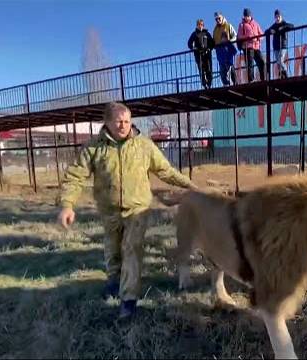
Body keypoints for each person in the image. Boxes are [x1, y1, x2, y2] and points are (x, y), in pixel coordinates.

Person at [57, 102, 197, 319]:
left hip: (137, 209)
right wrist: (67, 205)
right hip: (109, 210)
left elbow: (165, 171)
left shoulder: (144, 146)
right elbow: (75, 177)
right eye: (118, 122)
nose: (123, 126)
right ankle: (113, 282)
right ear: (107, 123)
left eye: (127, 121)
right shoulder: (94, 148)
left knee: (132, 250)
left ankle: (128, 301)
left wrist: (190, 186)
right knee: (112, 249)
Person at [237, 8, 265, 82]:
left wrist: (257, 38)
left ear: (250, 15)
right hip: (247, 47)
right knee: (250, 64)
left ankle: (263, 78)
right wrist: (248, 37)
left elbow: (261, 35)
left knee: (261, 62)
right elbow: (239, 36)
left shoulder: (255, 23)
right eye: (245, 16)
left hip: (256, 47)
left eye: (248, 16)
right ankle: (251, 80)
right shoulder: (242, 25)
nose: (247, 17)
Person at [266, 9, 294, 79]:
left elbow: (292, 26)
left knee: (280, 60)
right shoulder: (274, 25)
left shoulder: (284, 23)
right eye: (276, 17)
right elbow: (266, 32)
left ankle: (285, 71)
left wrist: (283, 27)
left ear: (281, 17)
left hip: (283, 45)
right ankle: (282, 75)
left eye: (279, 17)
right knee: (278, 62)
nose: (277, 18)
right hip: (275, 46)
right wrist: (270, 31)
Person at [188, 19, 215, 89]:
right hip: (198, 55)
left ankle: (209, 83)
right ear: (197, 25)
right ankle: (204, 84)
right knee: (201, 70)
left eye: (201, 25)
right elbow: (189, 43)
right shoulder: (194, 34)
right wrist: (194, 48)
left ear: (203, 25)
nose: (200, 26)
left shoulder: (207, 33)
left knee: (209, 69)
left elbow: (212, 43)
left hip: (207, 54)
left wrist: (209, 49)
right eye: (199, 25)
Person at [213, 12, 238, 86]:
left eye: (219, 18)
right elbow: (214, 41)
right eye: (216, 19)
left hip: (228, 50)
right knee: (222, 70)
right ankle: (225, 84)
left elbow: (235, 36)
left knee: (230, 67)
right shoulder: (215, 30)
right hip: (220, 52)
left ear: (222, 17)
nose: (218, 20)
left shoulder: (228, 26)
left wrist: (230, 42)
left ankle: (235, 83)